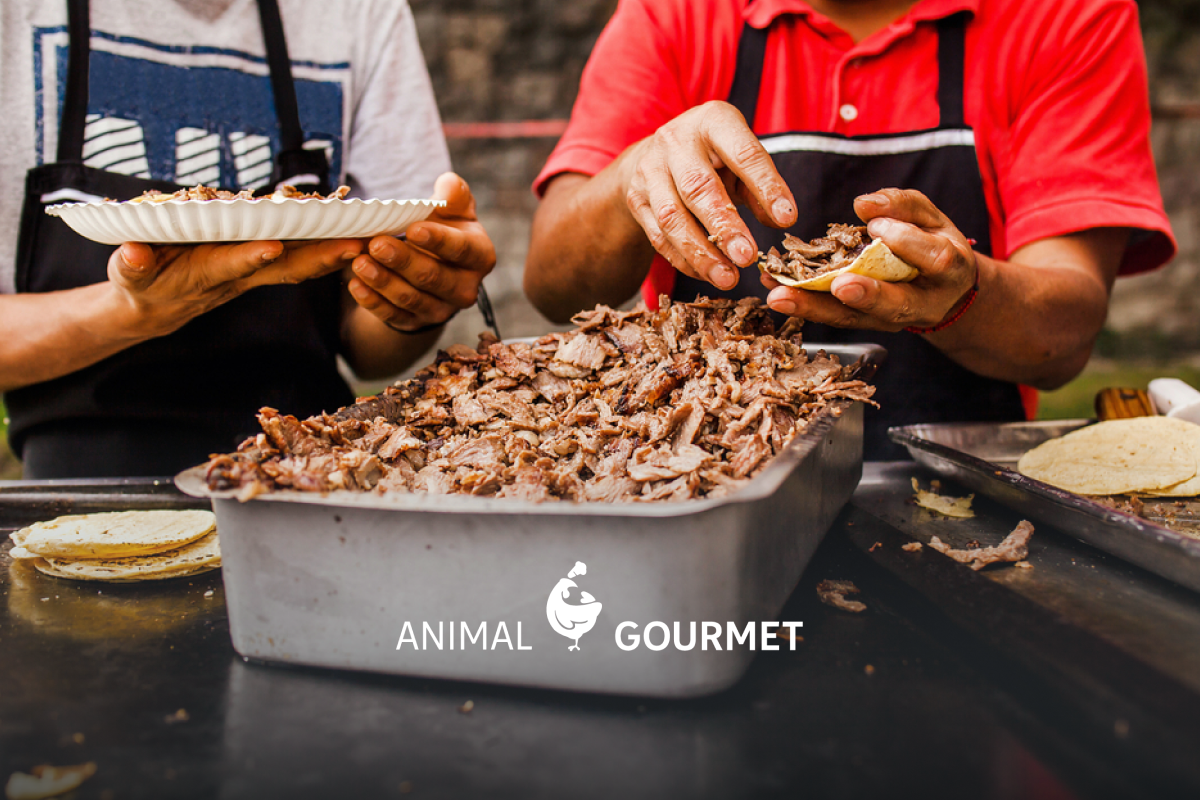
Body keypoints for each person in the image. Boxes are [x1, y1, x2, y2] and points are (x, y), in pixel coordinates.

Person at [525, 0, 1176, 459]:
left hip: (950, 482)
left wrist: (964, 292)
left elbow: (1062, 337)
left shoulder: (1063, 14)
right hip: (710, 476)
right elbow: (552, 285)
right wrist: (634, 172)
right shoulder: (675, 14)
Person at [0, 0, 495, 478]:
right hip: (80, 482)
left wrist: (419, 294)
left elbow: (366, 346)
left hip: (307, 467)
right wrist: (129, 312)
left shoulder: (362, 12)